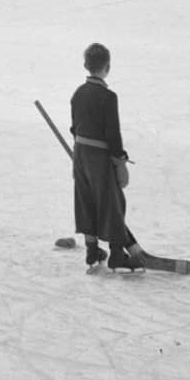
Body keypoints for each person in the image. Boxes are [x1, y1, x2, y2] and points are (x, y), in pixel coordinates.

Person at [70, 42, 142, 271]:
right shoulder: (108, 97)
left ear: (85, 65)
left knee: (86, 200)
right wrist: (119, 160)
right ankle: (117, 255)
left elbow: (74, 127)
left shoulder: (78, 94)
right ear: (107, 67)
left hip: (80, 154)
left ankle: (92, 252)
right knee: (113, 203)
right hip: (99, 156)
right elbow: (113, 134)